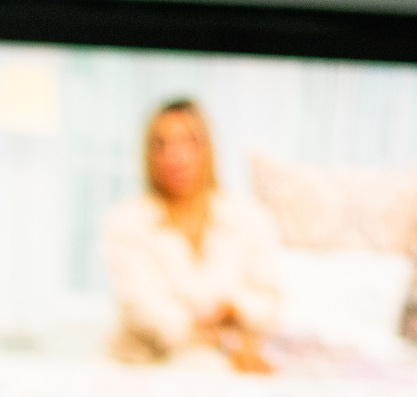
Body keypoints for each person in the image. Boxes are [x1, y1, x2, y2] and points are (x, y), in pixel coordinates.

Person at [103, 99, 284, 373]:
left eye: (187, 142)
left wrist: (234, 308)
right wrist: (225, 340)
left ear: (207, 148)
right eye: (161, 144)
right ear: (148, 155)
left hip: (231, 371)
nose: (175, 156)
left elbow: (271, 304)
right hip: (142, 367)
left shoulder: (249, 217)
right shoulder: (125, 221)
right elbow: (146, 313)